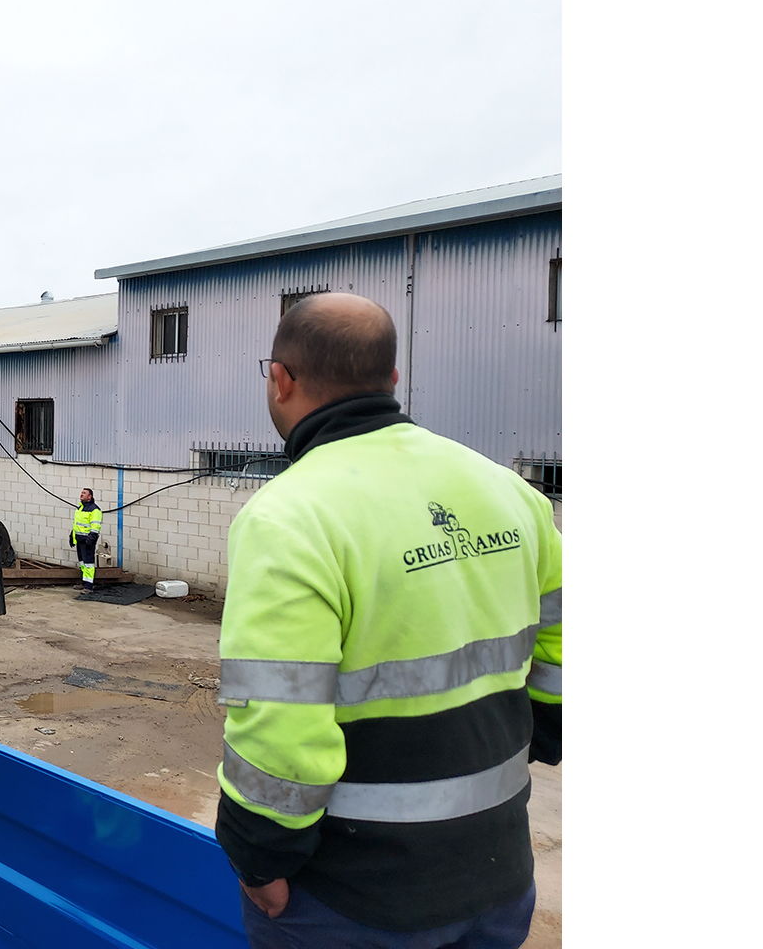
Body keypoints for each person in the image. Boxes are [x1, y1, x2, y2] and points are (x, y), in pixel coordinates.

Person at [215, 293, 562, 949]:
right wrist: (541, 730)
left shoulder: (289, 517)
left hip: (353, 900)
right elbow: (564, 640)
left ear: (280, 379)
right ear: (391, 380)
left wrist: (260, 857)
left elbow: (280, 720)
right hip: (498, 875)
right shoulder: (510, 492)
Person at [69, 488, 102, 590]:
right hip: (79, 540)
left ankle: (88, 587)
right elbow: (76, 525)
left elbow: (95, 527)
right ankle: (84, 583)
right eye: (81, 493)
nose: (81, 494)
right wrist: (72, 536)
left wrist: (91, 539)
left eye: (84, 493)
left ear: (90, 496)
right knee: (83, 563)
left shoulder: (95, 510)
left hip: (87, 542)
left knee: (88, 564)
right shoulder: (80, 508)